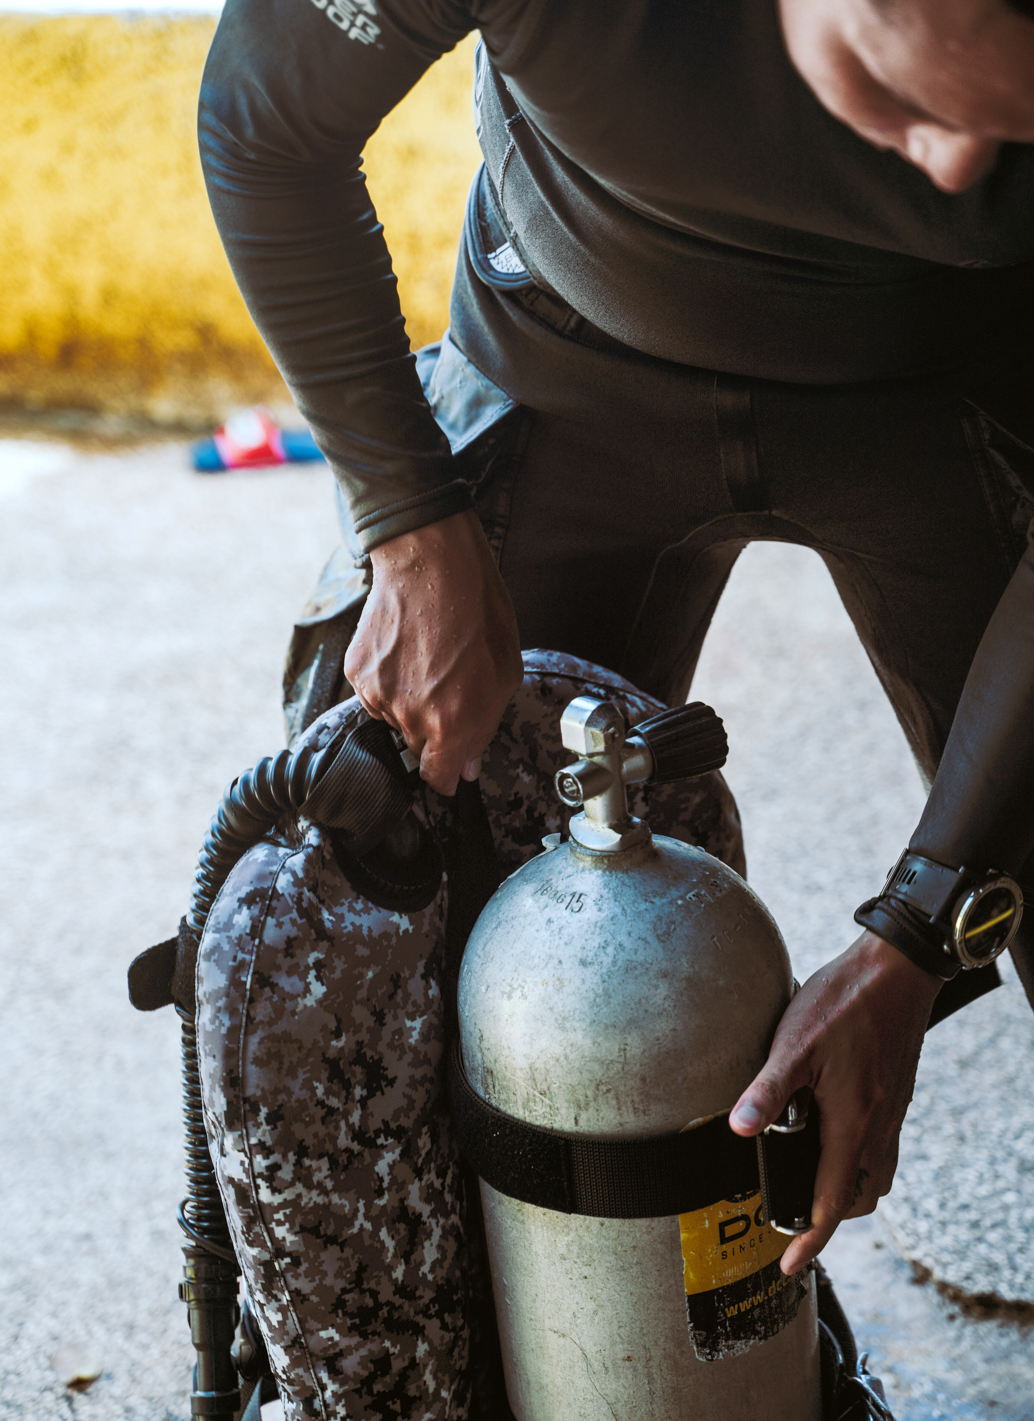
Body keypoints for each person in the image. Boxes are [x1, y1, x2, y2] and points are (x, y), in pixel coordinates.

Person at [198, 0, 1034, 1286]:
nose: (960, 166)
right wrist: (408, 519)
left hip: (967, 375)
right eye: (912, 98)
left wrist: (922, 929)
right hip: (574, 346)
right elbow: (261, 126)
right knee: (396, 890)